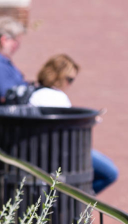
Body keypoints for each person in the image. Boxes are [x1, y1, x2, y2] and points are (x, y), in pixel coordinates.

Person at [29, 54, 119, 195]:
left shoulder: (35, 94)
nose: (70, 84)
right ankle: (78, 203)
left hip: (45, 150)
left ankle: (75, 202)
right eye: (69, 79)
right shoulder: (57, 97)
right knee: (110, 173)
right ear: (57, 76)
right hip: (65, 152)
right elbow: (67, 128)